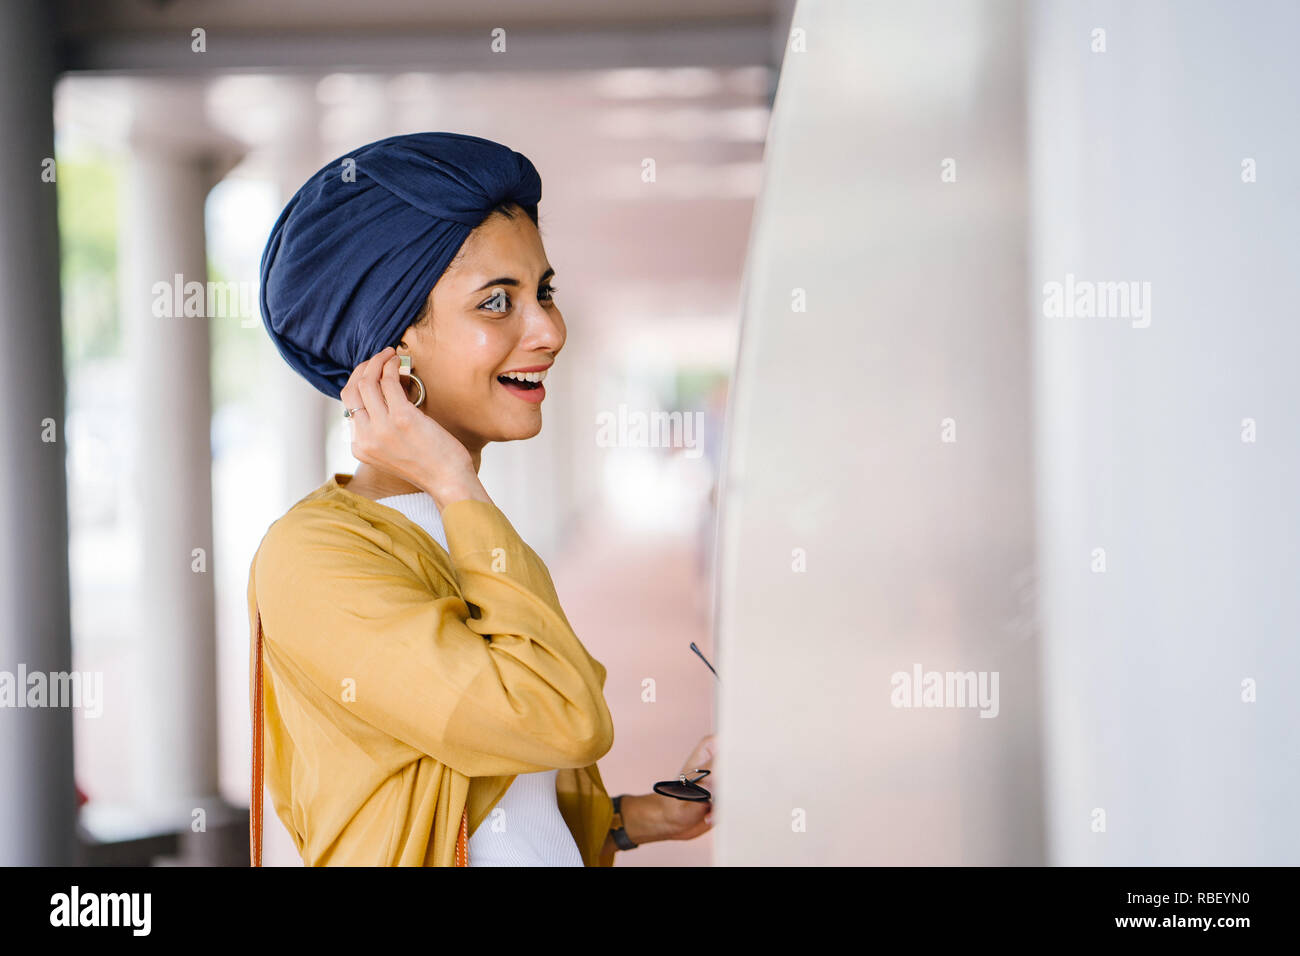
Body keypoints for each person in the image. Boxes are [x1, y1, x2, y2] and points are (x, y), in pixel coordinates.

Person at [249, 131, 714, 866]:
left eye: (545, 293)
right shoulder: (315, 555)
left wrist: (634, 818)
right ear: (390, 349)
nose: (550, 331)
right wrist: (454, 480)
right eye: (497, 303)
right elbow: (559, 717)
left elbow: (495, 780)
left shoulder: (457, 521)